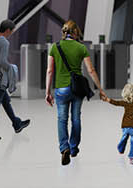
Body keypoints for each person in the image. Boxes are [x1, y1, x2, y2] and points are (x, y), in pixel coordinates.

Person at [45, 19, 104, 164]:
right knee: (76, 118)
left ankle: (64, 148)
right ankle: (73, 148)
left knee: (62, 119)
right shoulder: (80, 47)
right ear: (75, 32)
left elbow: (50, 71)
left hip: (61, 89)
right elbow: (91, 70)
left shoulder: (55, 47)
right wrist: (100, 89)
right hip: (77, 89)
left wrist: (47, 92)